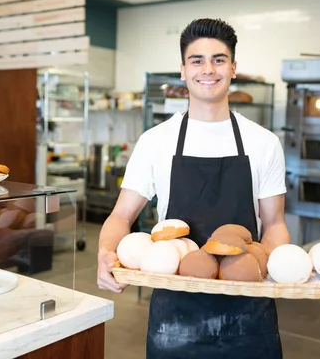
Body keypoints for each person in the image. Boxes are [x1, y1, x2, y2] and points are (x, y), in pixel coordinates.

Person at [97, 18, 289, 358]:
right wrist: (106, 254)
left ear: (233, 68)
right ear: (183, 70)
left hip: (248, 310)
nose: (208, 69)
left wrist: (274, 270)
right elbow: (121, 215)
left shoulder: (264, 143)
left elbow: (273, 224)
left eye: (218, 59)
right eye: (197, 60)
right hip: (175, 316)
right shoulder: (155, 141)